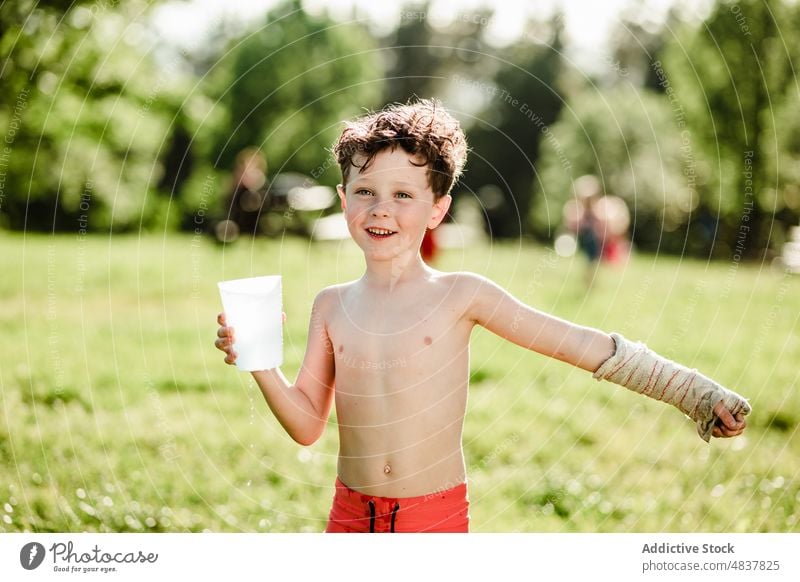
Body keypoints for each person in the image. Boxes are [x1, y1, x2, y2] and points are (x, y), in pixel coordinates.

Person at [214, 99, 750, 533]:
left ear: (437, 209)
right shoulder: (330, 305)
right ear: (343, 198)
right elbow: (307, 425)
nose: (380, 208)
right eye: (365, 191)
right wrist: (260, 362)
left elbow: (578, 344)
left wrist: (693, 393)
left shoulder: (462, 295)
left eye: (403, 194)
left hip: (434, 519)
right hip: (349, 518)